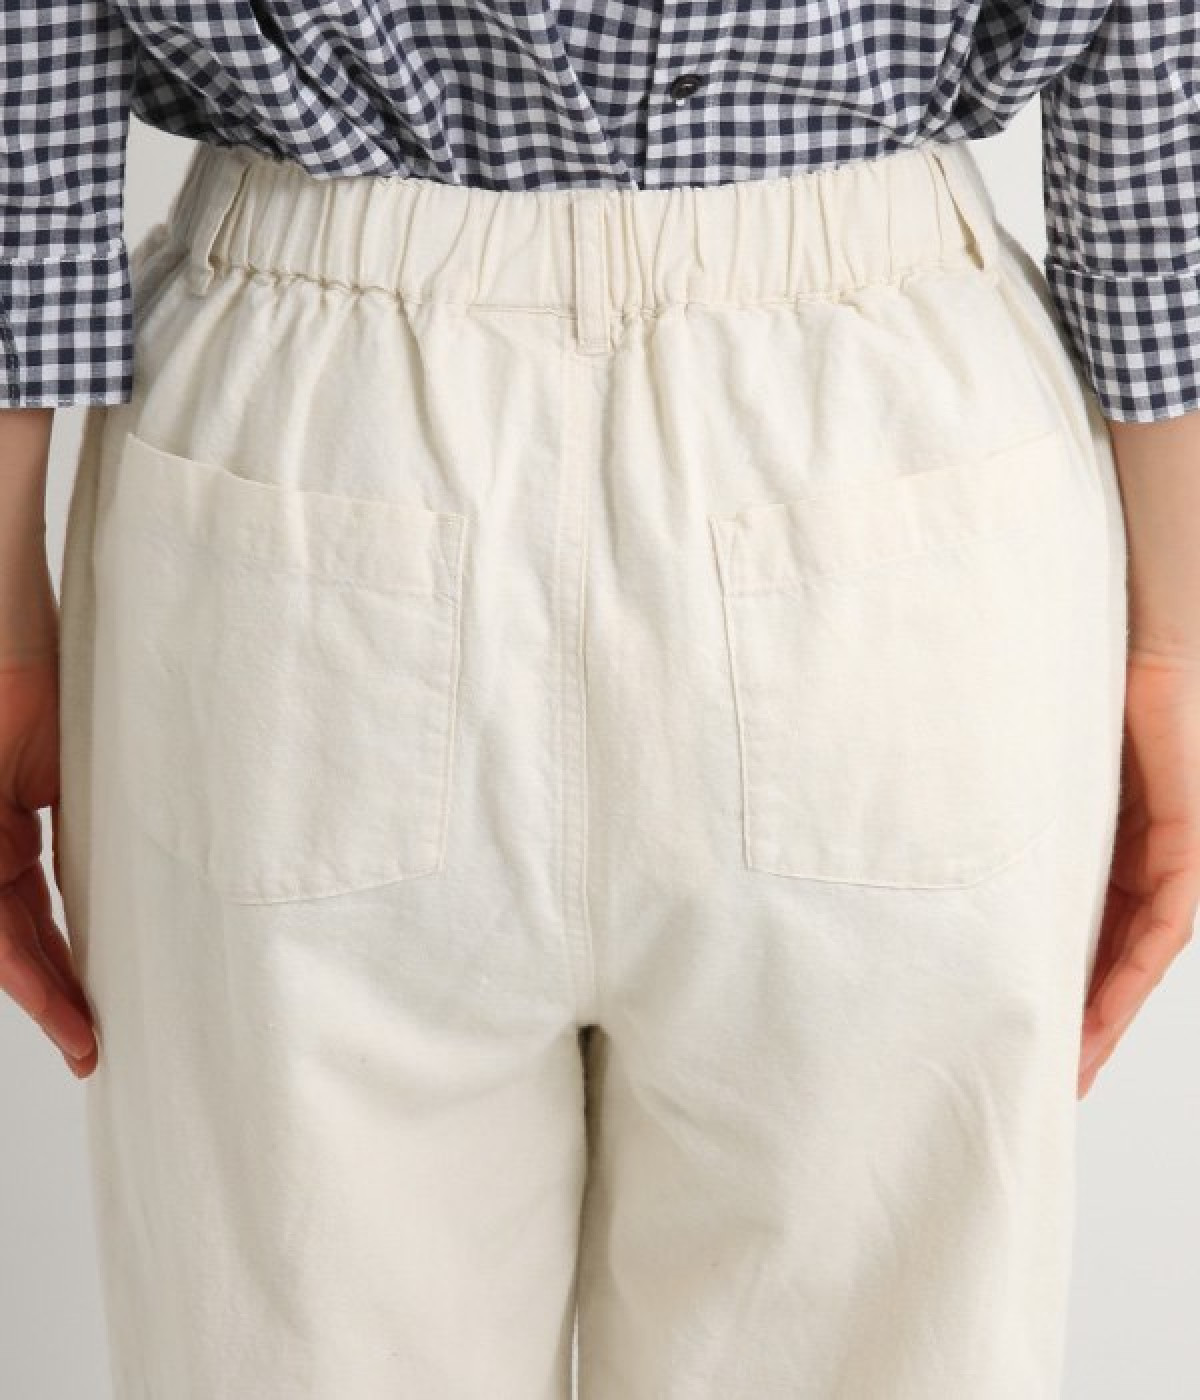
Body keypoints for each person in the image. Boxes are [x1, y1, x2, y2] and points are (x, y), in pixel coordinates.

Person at [1, 3, 1197, 1396]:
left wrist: (7, 622)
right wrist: (1173, 643)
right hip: (887, 454)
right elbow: (1155, 94)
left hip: (302, 452)